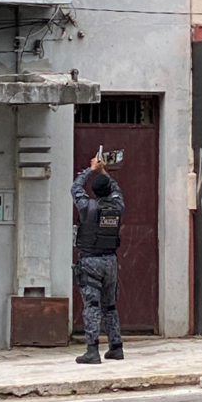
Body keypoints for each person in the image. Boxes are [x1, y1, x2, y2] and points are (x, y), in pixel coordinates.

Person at [71, 154, 125, 364]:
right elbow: (117, 189)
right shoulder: (117, 206)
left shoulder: (87, 207)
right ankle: (116, 346)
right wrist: (103, 171)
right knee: (109, 305)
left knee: (92, 305)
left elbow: (75, 187)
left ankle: (92, 351)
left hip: (91, 260)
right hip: (110, 261)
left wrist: (90, 169)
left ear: (93, 191)